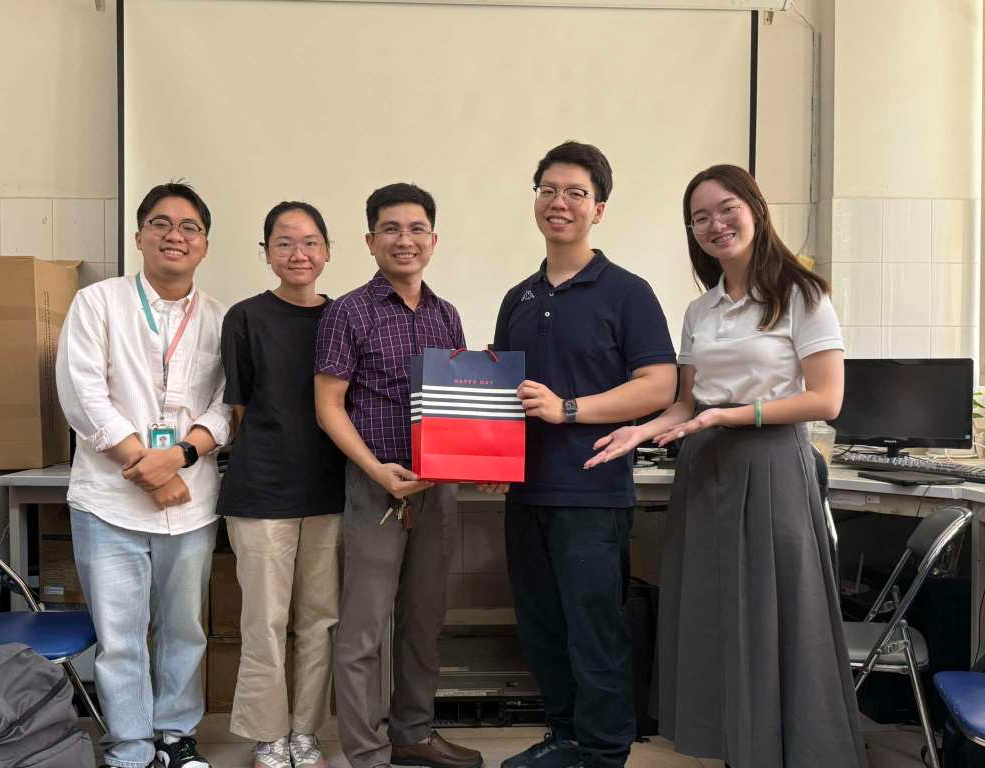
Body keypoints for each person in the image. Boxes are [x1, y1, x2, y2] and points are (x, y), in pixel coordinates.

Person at [586, 164, 867, 768]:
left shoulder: (802, 295)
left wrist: (731, 416)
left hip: (772, 464)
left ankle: (785, 750)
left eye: (726, 209)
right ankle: (730, 747)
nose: (715, 224)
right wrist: (640, 429)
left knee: (772, 615)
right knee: (713, 615)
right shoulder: (701, 310)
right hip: (705, 468)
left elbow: (827, 400)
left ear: (755, 209)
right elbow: (686, 404)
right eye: (699, 217)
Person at [490, 141, 678, 768]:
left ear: (598, 209)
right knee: (543, 628)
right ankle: (565, 736)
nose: (559, 203)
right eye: (548, 190)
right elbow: (503, 395)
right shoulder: (518, 298)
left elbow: (659, 385)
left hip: (592, 493)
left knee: (593, 630)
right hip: (526, 492)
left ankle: (601, 752)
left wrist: (569, 409)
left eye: (575, 193)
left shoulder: (627, 292)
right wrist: (486, 458)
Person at [56, 182, 230, 768]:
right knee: (120, 637)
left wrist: (177, 459)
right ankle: (130, 748)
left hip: (191, 500)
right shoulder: (98, 303)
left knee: (184, 630)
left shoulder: (220, 319)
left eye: (189, 227)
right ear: (139, 236)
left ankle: (176, 737)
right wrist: (151, 470)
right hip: (110, 501)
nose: (175, 236)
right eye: (161, 223)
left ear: (205, 244)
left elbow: (226, 407)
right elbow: (83, 397)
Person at [314, 183, 482, 768]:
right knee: (363, 630)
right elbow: (329, 407)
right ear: (370, 240)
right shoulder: (348, 312)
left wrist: (479, 460)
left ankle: (413, 734)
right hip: (375, 487)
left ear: (433, 240)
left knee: (424, 620)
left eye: (416, 229)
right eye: (390, 229)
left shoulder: (446, 314)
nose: (403, 240)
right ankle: (366, 752)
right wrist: (377, 472)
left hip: (439, 489)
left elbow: (458, 406)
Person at [217, 201, 346, 768]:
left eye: (310, 242)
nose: (299, 254)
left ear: (327, 251)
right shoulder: (245, 318)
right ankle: (268, 733)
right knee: (265, 621)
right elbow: (240, 408)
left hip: (330, 491)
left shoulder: (344, 316)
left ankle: (305, 730)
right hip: (262, 489)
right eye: (285, 242)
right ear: (266, 252)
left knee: (320, 618)